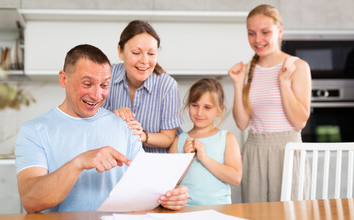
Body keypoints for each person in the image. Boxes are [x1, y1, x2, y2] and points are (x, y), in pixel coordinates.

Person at [15, 44, 189, 213]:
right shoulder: (34, 131)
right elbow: (31, 200)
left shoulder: (124, 126)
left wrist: (169, 196)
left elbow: (145, 188)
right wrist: (79, 163)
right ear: (63, 79)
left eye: (104, 85)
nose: (97, 95)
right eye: (87, 84)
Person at [228, 4, 312, 203]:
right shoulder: (247, 70)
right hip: (254, 149)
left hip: (287, 150)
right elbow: (242, 123)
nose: (258, 40)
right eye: (251, 33)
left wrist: (283, 83)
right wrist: (238, 85)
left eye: (265, 32)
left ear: (279, 32)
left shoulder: (297, 67)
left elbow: (300, 122)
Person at [102, 20, 183, 153]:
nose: (144, 60)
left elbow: (168, 138)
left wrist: (142, 135)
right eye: (136, 52)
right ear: (120, 51)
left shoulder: (168, 86)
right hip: (115, 161)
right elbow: (91, 121)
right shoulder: (106, 75)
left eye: (151, 54)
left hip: (154, 164)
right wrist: (112, 118)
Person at [169, 78, 242, 206]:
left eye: (207, 107)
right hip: (185, 211)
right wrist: (187, 159)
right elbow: (169, 181)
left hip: (220, 210)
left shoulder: (227, 138)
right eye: (194, 105)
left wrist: (204, 158)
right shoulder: (178, 140)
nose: (199, 112)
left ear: (219, 110)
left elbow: (235, 178)